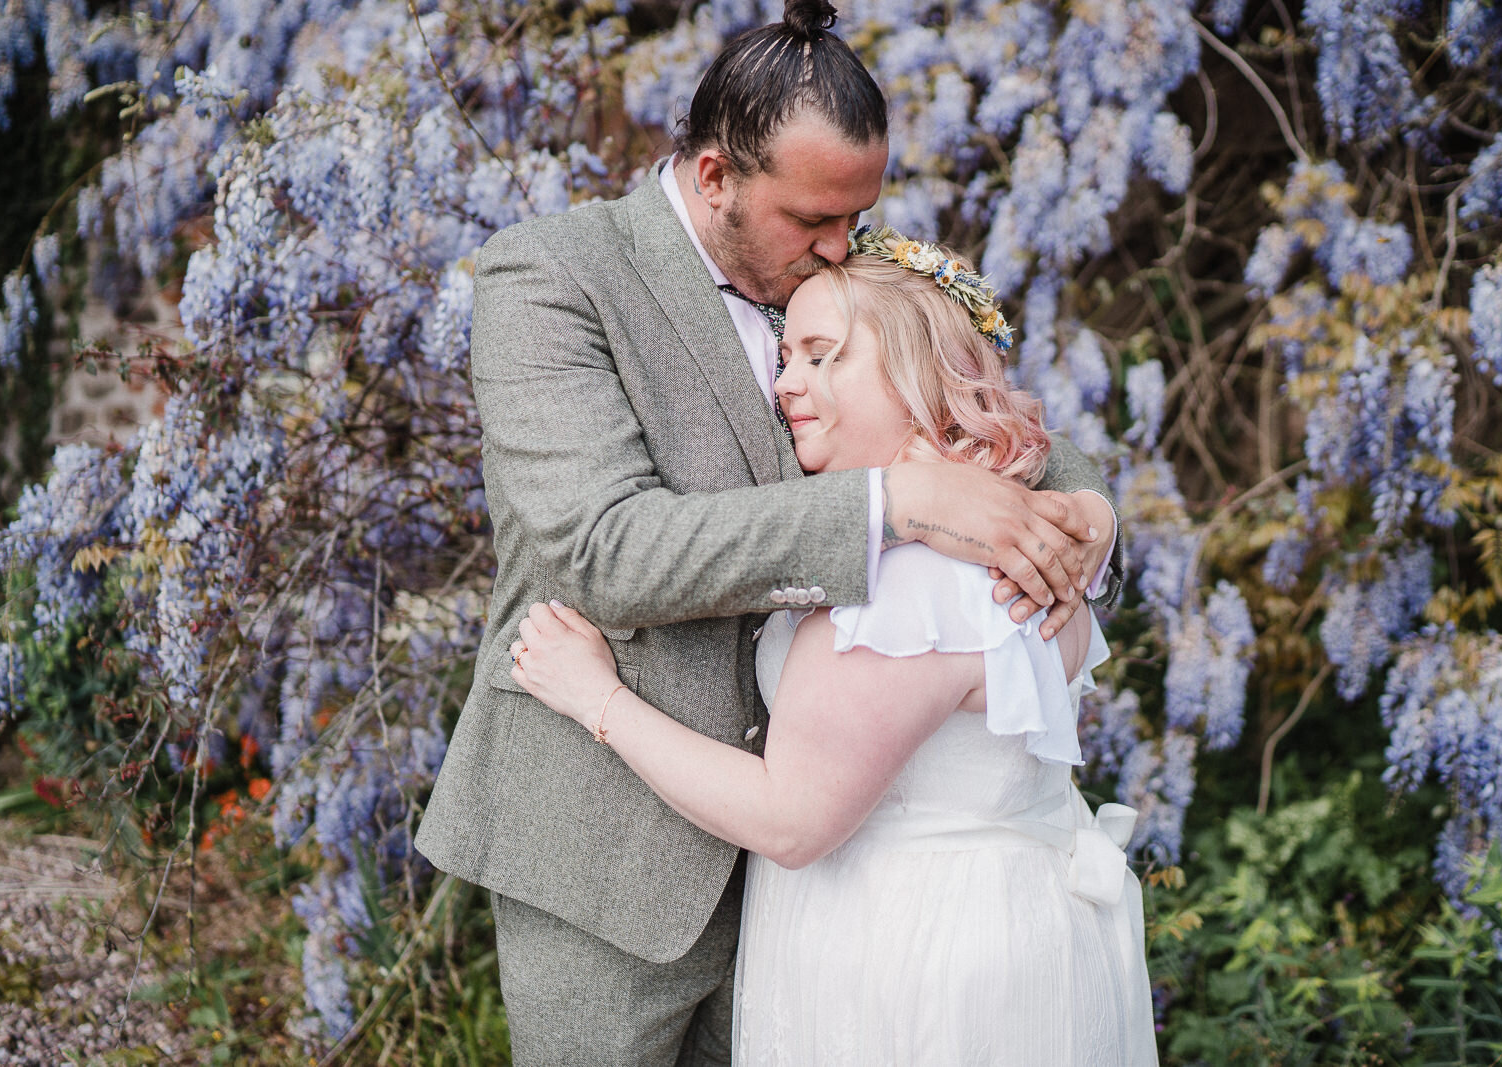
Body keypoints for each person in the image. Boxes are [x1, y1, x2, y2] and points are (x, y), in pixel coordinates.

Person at [413, 3, 1127, 1064]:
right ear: (714, 177)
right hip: (609, 851)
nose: (841, 244)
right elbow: (606, 547)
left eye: (857, 215)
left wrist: (1088, 511)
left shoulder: (837, 256)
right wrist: (903, 501)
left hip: (824, 866)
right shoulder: (553, 277)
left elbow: (969, 397)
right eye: (811, 220)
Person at [507, 229, 1157, 1066]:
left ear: (925, 375)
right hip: (1015, 924)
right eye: (786, 357)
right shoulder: (1029, 537)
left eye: (823, 357)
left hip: (905, 951)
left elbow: (791, 818)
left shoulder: (910, 587)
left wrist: (599, 699)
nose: (786, 385)